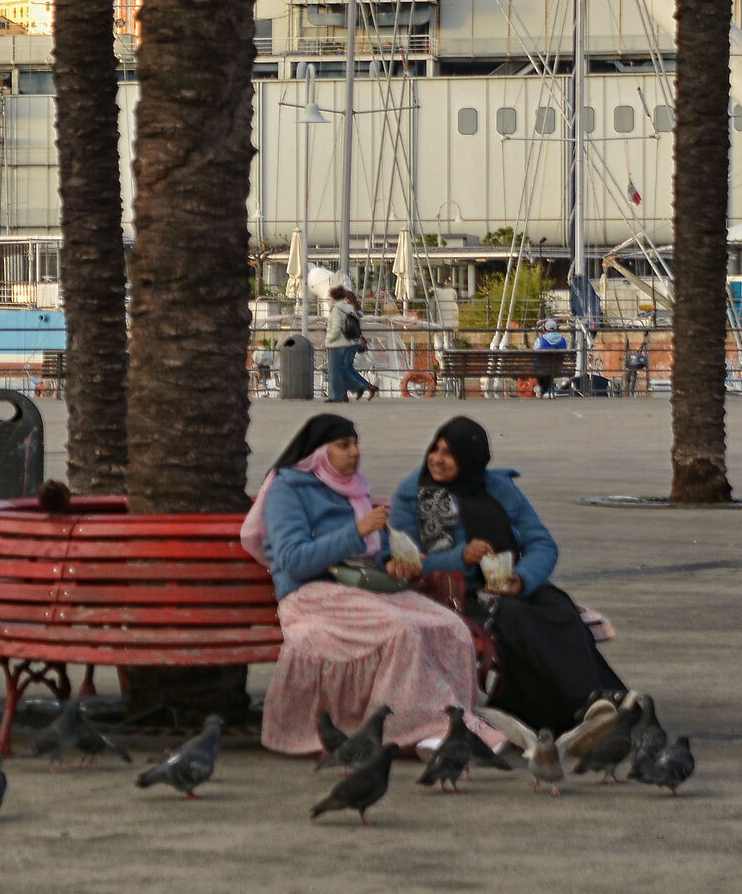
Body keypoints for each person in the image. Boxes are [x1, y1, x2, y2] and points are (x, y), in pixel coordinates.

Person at [243, 414, 496, 757]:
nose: (355, 453)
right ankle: (420, 729)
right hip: (311, 593)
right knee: (401, 630)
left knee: (449, 626)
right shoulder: (288, 489)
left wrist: (398, 566)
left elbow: (370, 558)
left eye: (356, 444)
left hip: (363, 588)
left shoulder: (354, 488)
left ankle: (455, 720)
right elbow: (293, 561)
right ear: (318, 453)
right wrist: (357, 531)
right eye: (344, 445)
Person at [393, 417, 621, 735]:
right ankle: (586, 702)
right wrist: (460, 557)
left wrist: (524, 578)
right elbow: (400, 563)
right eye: (435, 448)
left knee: (557, 608)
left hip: (507, 585)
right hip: (456, 596)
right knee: (515, 617)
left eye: (449, 452)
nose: (437, 459)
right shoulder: (413, 494)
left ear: (471, 460)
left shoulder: (498, 488)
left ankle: (607, 700)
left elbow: (541, 542)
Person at [324, 289, 373, 403]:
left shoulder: (337, 309)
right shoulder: (351, 309)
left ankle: (345, 392)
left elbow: (336, 328)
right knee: (344, 368)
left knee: (337, 370)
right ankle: (356, 388)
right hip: (351, 341)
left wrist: (329, 339)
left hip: (338, 343)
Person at [532, 316, 570, 397]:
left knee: (540, 366)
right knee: (550, 368)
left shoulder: (540, 340)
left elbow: (535, 353)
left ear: (544, 329)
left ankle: (544, 390)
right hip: (558, 368)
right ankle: (546, 389)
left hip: (542, 368)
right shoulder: (564, 340)